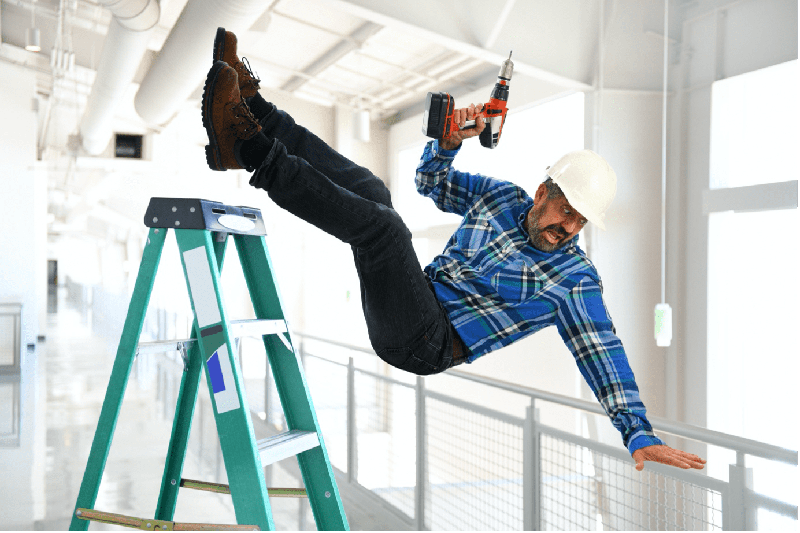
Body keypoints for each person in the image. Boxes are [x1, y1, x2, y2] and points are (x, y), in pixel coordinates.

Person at [202, 28, 706, 473]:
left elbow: (604, 355)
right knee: (376, 193)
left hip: (427, 343)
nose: (568, 227)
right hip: (415, 297)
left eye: (579, 221)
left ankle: (249, 151)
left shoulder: (574, 280)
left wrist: (637, 432)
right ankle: (258, 116)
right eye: (565, 210)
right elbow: (430, 182)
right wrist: (448, 142)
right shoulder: (500, 197)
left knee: (384, 230)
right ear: (542, 192)